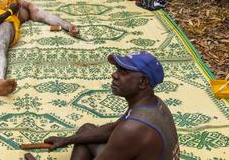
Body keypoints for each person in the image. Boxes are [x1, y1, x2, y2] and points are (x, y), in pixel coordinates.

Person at [35, 51, 179, 160]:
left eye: (123, 72)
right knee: (86, 131)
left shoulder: (132, 129)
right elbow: (112, 129)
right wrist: (66, 140)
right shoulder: (153, 103)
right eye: (117, 69)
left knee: (87, 137)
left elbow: (123, 131)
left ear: (143, 82)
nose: (114, 75)